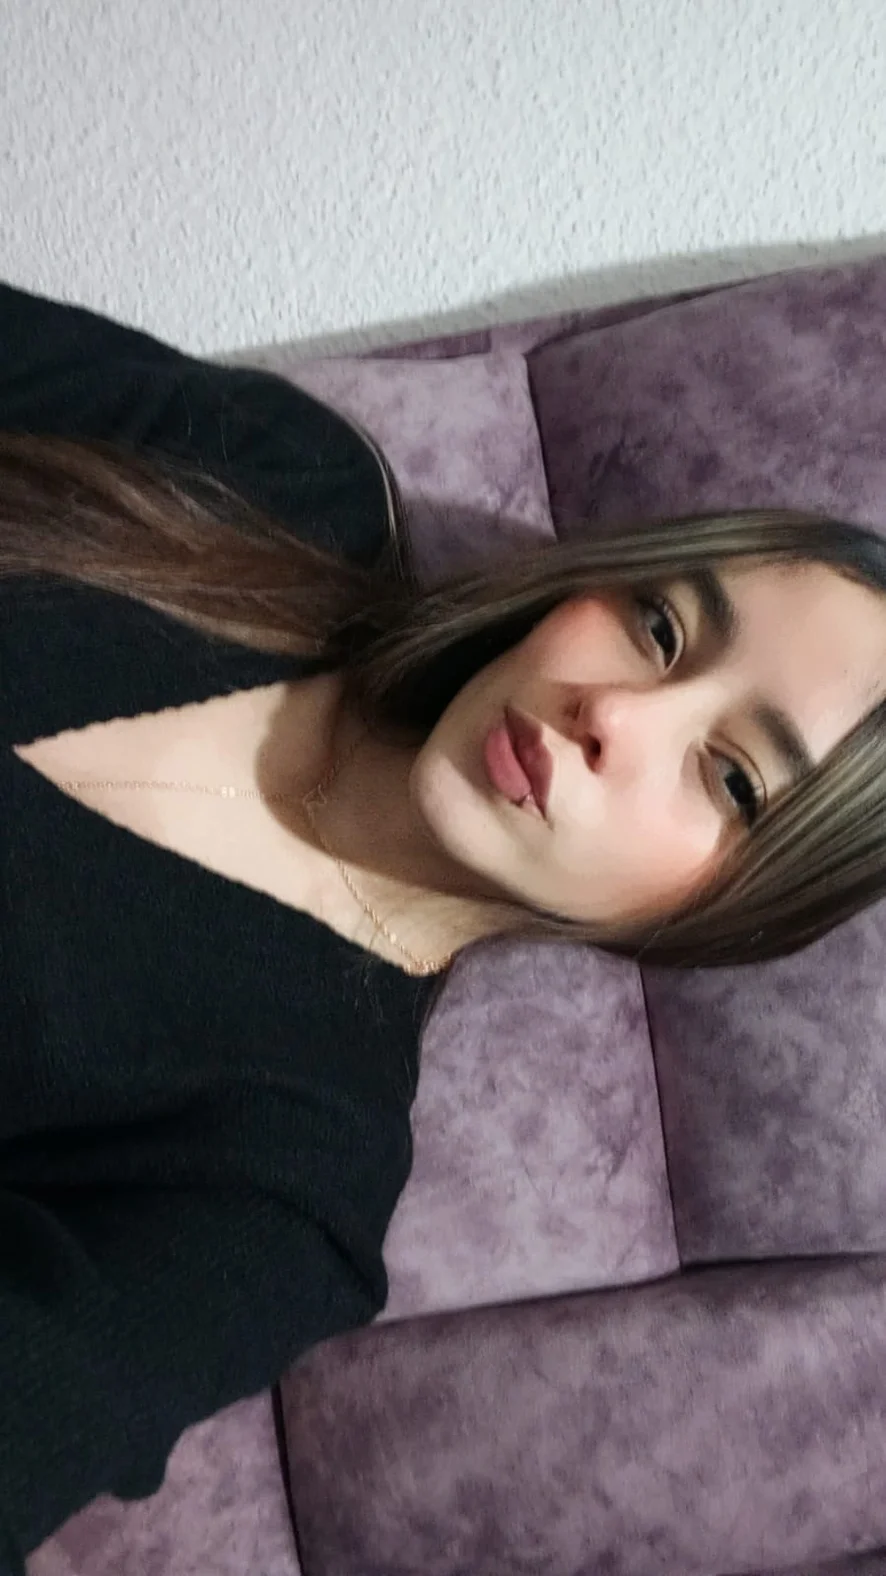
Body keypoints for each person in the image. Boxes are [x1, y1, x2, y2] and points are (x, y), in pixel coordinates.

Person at [1, 279, 886, 1568]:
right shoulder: (288, 481)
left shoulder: (277, 1190)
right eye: (662, 625)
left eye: (734, 780)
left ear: (721, 917)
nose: (617, 715)